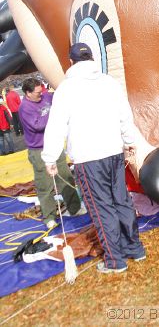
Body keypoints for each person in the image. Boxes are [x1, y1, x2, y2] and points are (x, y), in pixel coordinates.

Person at [41, 43, 145, 274]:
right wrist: (129, 142)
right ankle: (135, 248)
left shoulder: (66, 89)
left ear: (71, 62)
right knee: (122, 200)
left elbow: (57, 126)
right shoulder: (109, 83)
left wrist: (50, 158)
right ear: (92, 59)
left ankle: (115, 260)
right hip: (113, 152)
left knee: (101, 208)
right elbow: (124, 116)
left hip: (88, 159)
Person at [19, 78, 84, 229]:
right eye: (37, 93)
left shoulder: (46, 96)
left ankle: (74, 208)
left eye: (41, 91)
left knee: (65, 177)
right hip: (39, 150)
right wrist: (56, 117)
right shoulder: (25, 108)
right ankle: (49, 217)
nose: (41, 95)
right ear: (28, 93)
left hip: (55, 145)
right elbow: (38, 125)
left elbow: (60, 97)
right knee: (45, 185)